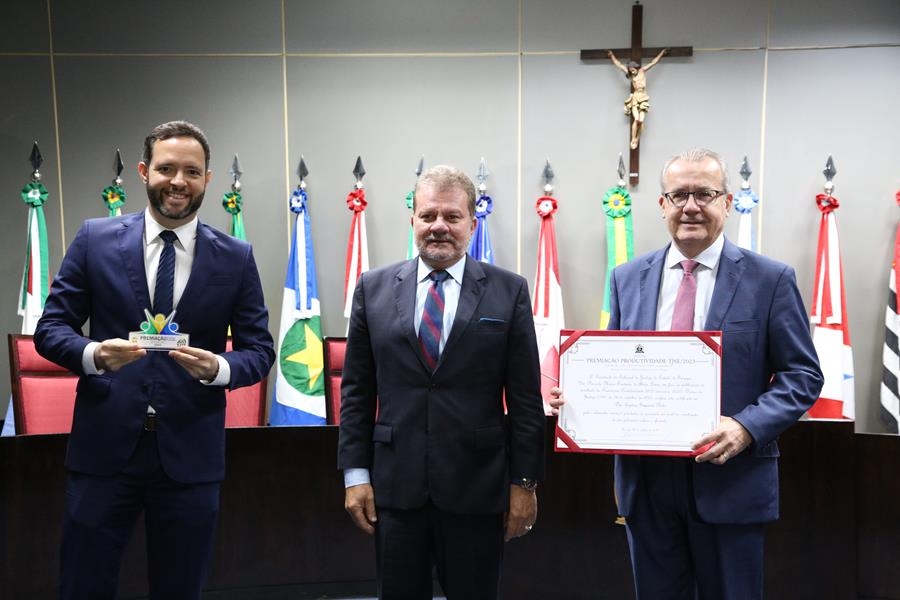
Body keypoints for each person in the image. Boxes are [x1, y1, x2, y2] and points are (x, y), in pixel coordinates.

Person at [552, 149, 823, 599]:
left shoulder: (770, 279)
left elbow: (803, 376)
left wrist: (745, 427)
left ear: (727, 202)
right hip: (646, 488)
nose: (691, 206)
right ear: (662, 205)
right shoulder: (627, 278)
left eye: (704, 194)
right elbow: (616, 365)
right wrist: (578, 397)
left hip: (730, 481)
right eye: (679, 195)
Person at [34, 120, 275, 599]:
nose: (178, 181)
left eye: (192, 171)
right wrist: (94, 354)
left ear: (207, 179)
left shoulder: (236, 257)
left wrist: (220, 369)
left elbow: (260, 350)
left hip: (190, 454)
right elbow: (51, 329)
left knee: (179, 589)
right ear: (144, 172)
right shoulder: (94, 239)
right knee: (83, 585)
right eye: (166, 169)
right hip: (104, 450)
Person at [338, 165, 546, 599]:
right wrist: (354, 475)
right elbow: (356, 392)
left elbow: (526, 399)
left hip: (478, 490)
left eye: (452, 216)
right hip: (395, 490)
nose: (439, 226)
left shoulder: (509, 291)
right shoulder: (372, 289)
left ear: (472, 223)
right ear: (412, 219)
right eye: (428, 215)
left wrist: (524, 484)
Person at [608, 48, 668, 149]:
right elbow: (619, 65)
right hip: (635, 98)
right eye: (630, 71)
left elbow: (653, 62)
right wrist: (612, 56)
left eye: (633, 70)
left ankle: (637, 139)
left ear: (636, 67)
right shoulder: (631, 76)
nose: (632, 72)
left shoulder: (642, 71)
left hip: (643, 97)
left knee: (641, 120)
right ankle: (633, 139)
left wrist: (662, 53)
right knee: (636, 119)